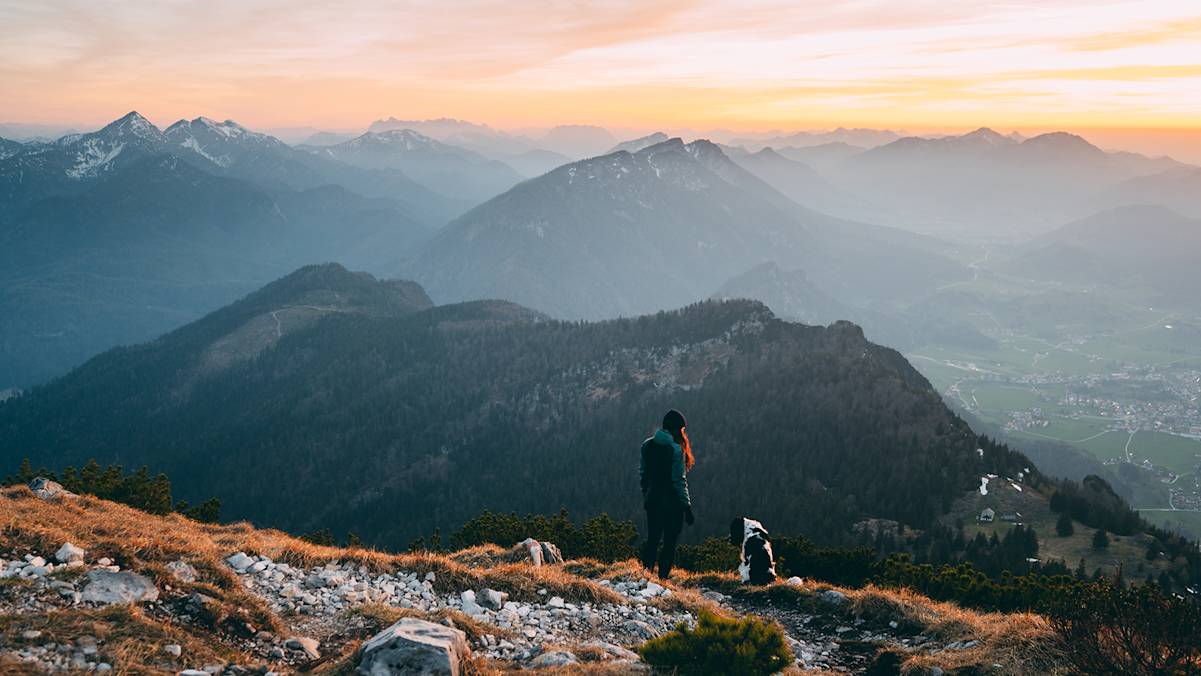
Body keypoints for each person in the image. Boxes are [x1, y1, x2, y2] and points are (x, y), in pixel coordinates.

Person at [639, 409, 695, 579]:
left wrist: (647, 494)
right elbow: (679, 481)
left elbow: (643, 474)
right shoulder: (676, 449)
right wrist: (687, 507)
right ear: (678, 429)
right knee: (669, 543)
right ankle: (662, 578)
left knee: (653, 538)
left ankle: (647, 575)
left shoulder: (647, 445)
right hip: (672, 503)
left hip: (653, 500)